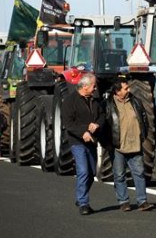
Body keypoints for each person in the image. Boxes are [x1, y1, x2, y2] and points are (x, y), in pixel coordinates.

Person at [104, 77, 154, 212]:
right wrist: (107, 143)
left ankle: (142, 201)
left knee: (139, 173)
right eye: (125, 88)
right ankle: (124, 201)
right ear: (117, 91)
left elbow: (144, 118)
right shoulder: (108, 105)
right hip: (118, 146)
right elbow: (105, 125)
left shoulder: (135, 101)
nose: (129, 90)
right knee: (119, 175)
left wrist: (143, 135)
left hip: (135, 144)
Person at [61, 73, 104, 215]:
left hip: (92, 141)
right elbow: (68, 123)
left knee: (91, 173)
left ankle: (81, 197)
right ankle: (83, 203)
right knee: (83, 171)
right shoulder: (70, 101)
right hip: (77, 141)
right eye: (93, 86)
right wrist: (83, 131)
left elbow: (102, 116)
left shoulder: (95, 100)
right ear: (85, 86)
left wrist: (97, 125)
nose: (95, 88)